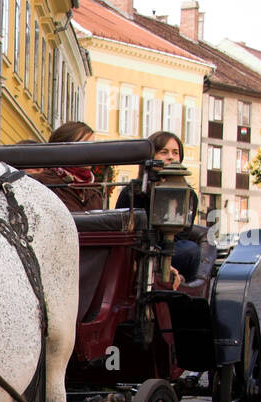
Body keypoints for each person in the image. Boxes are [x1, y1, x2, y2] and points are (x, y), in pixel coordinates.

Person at [115, 130, 201, 283]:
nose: (170, 157)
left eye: (175, 153)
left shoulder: (189, 195)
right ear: (151, 157)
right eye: (164, 152)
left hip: (169, 251)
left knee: (190, 249)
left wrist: (164, 262)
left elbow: (181, 236)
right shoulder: (132, 192)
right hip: (138, 252)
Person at [25, 121, 104, 212]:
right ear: (63, 148)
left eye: (93, 146)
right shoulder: (41, 183)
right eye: (84, 145)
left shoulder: (94, 193)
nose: (92, 152)